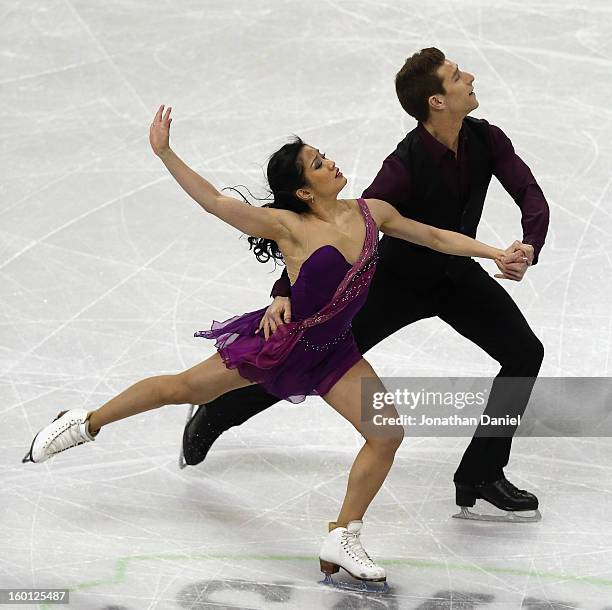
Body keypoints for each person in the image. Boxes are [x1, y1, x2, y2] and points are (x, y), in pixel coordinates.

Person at [22, 104, 527, 588]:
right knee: (184, 389)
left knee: (387, 433)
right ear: (304, 191)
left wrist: (495, 253)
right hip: (280, 346)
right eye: (317, 163)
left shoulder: (374, 212)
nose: (330, 163)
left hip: (336, 352)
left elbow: (438, 237)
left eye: (323, 156)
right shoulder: (289, 227)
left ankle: (343, 535)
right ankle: (84, 423)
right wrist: (166, 154)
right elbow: (215, 203)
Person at [182, 47, 550, 523]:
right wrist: (284, 289)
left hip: (455, 278)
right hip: (391, 283)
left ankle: (480, 474)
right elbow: (338, 229)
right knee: (305, 356)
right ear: (436, 102)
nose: (471, 78)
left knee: (524, 353)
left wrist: (529, 245)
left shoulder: (485, 139)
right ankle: (219, 411)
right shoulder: (405, 165)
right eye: (458, 76)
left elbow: (528, 191)